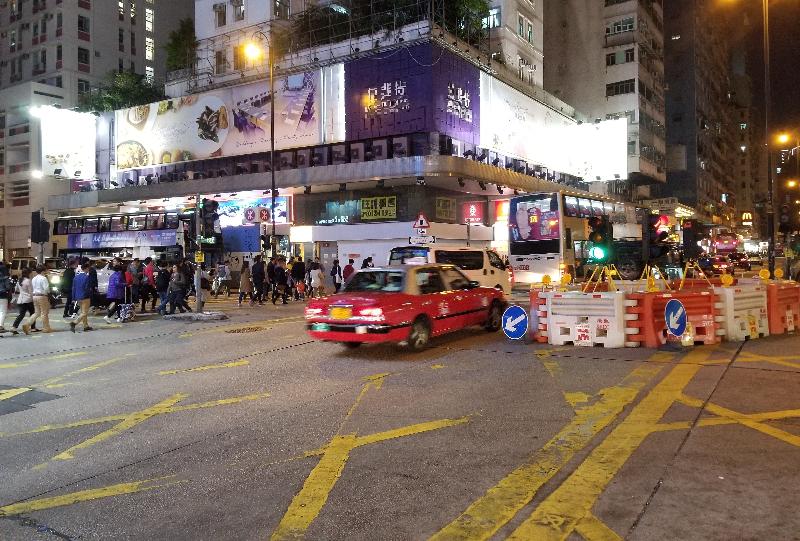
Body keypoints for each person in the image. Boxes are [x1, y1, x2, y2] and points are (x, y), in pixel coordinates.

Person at [23, 264, 52, 334]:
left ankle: (27, 324)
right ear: (43, 271)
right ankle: (46, 328)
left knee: (37, 313)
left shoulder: (34, 278)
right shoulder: (43, 278)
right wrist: (49, 292)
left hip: (35, 296)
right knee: (44, 313)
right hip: (42, 296)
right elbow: (46, 289)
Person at [70, 261, 95, 333]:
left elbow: (73, 288)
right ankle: (74, 322)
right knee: (84, 313)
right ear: (86, 269)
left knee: (83, 312)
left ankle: (86, 326)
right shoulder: (86, 277)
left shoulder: (76, 277)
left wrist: (73, 298)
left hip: (78, 297)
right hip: (85, 297)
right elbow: (87, 288)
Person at [11, 268, 35, 334]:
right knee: (33, 313)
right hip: (28, 300)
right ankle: (32, 328)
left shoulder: (19, 280)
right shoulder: (28, 281)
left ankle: (14, 327)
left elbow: (16, 290)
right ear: (29, 273)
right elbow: (31, 292)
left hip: (20, 300)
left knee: (21, 315)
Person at [0, 261, 11, 332]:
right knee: (2, 311)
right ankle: (0, 325)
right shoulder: (5, 278)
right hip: (3, 295)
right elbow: (8, 287)